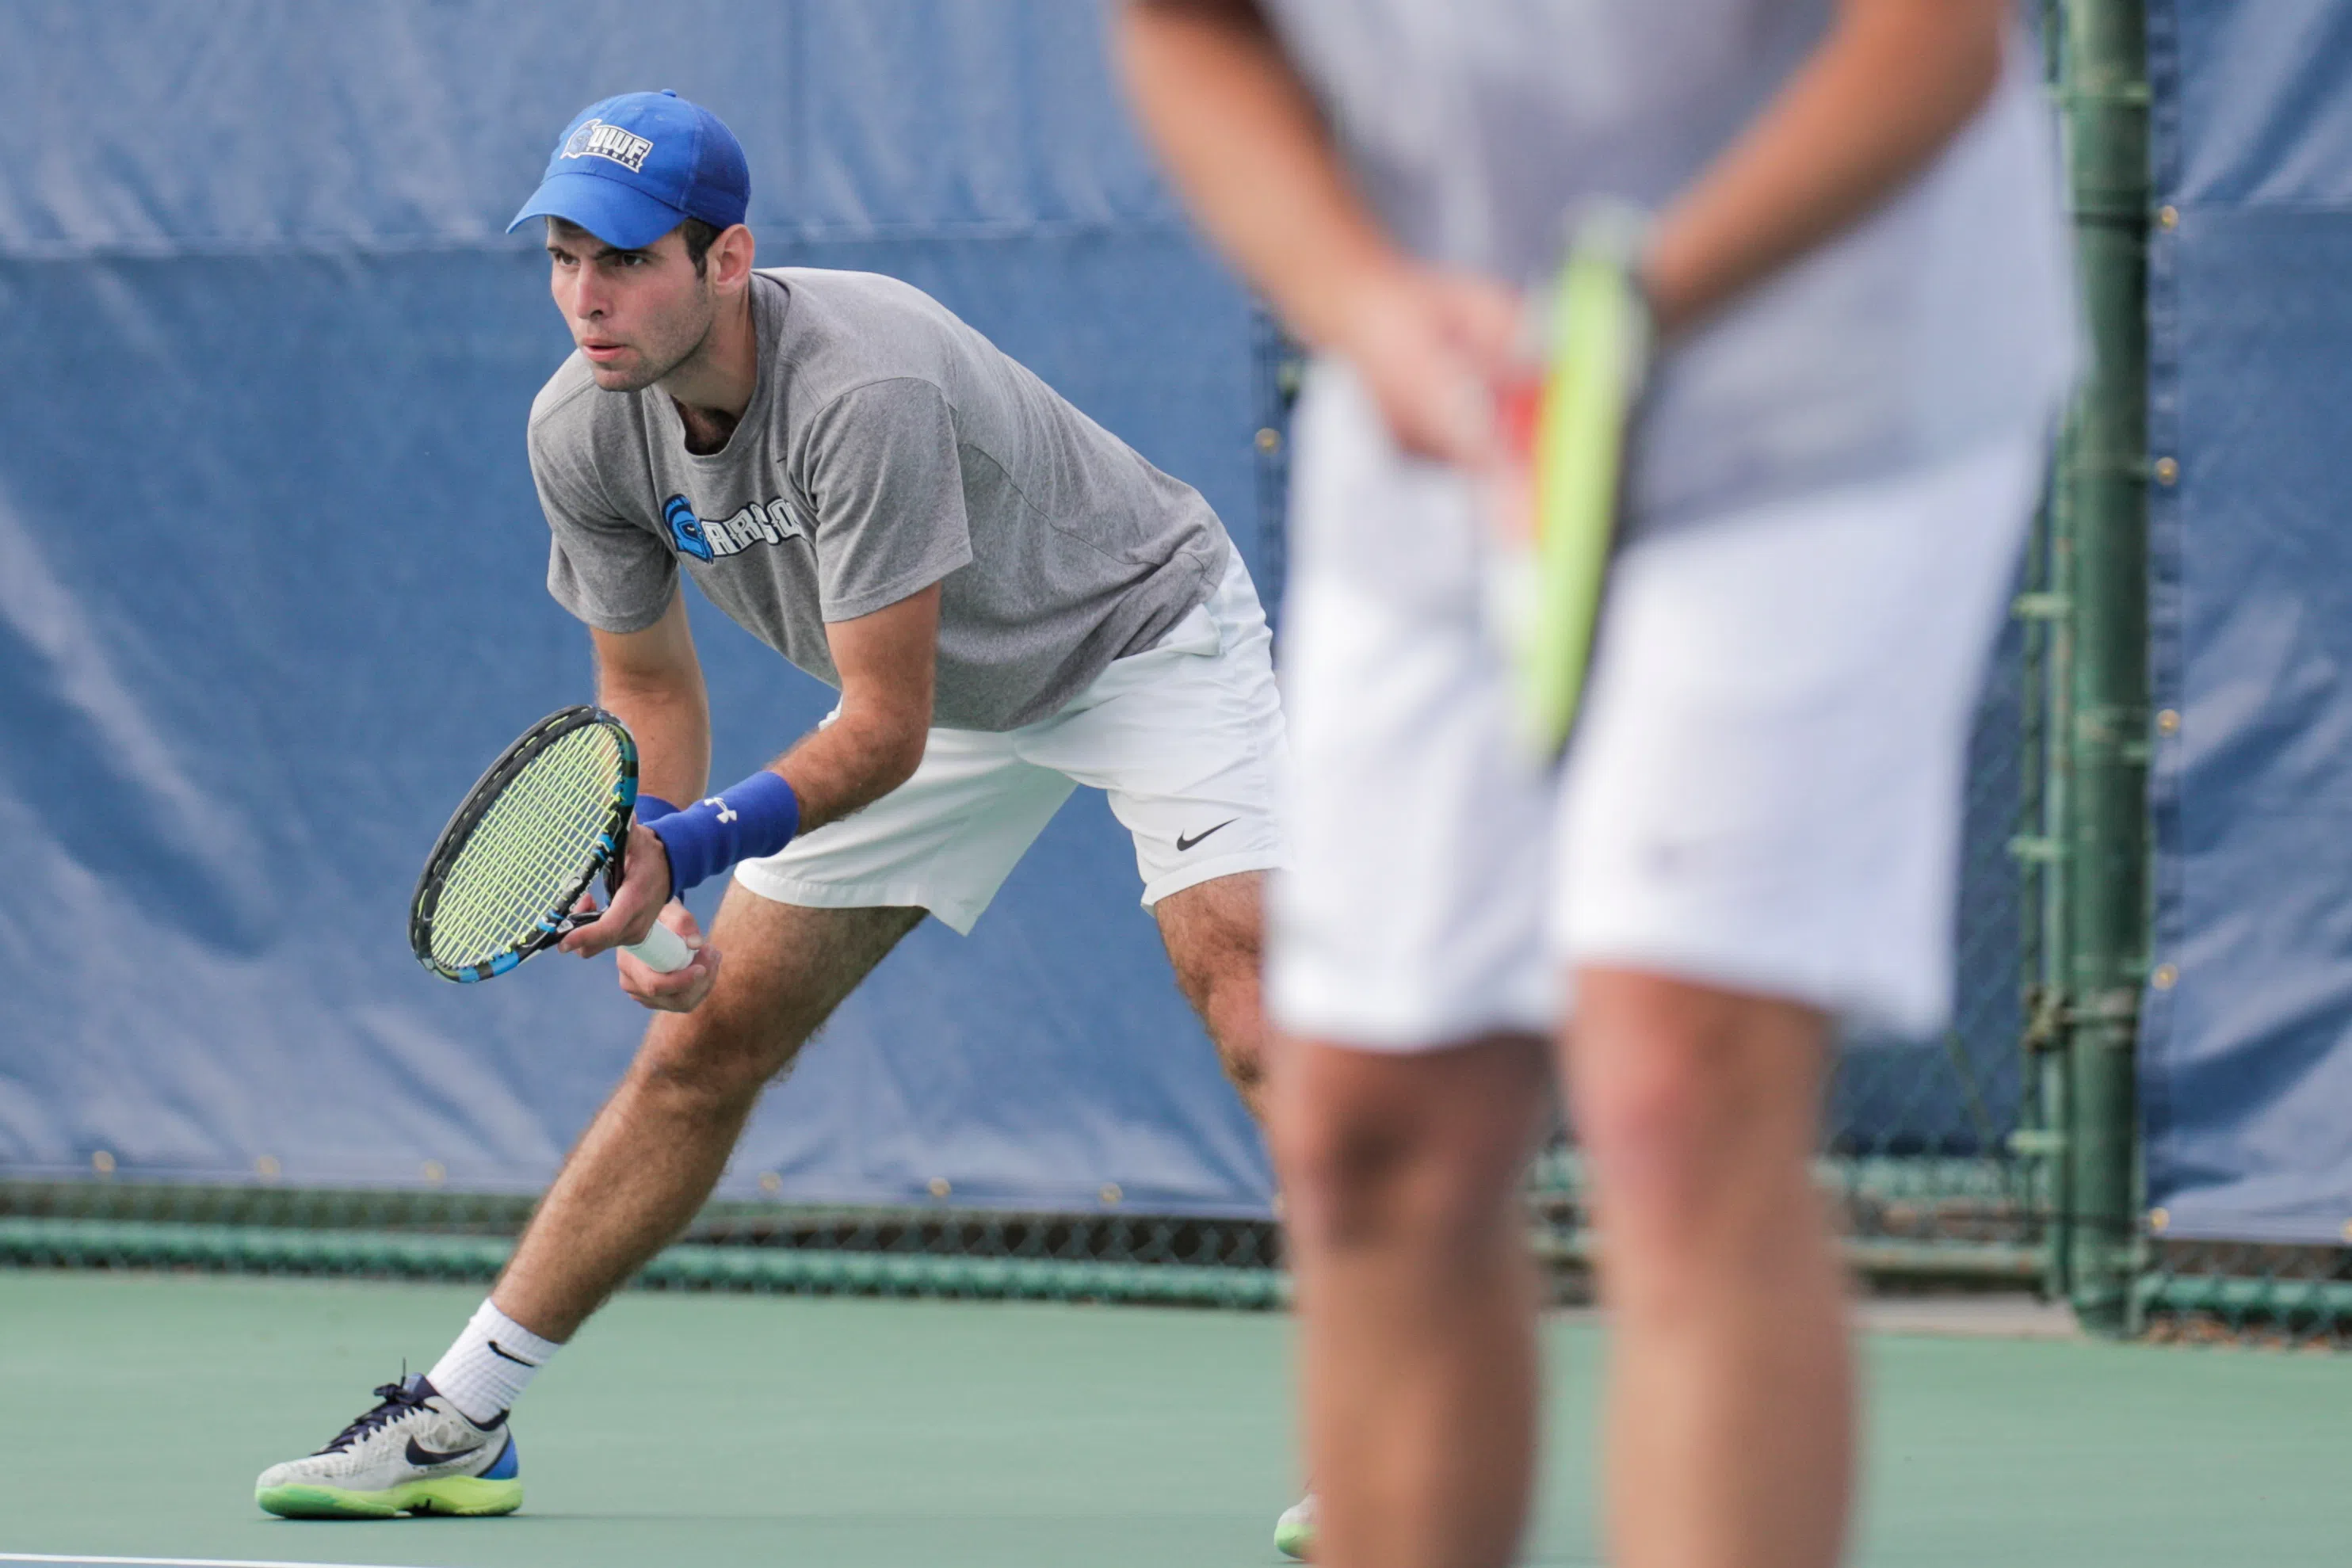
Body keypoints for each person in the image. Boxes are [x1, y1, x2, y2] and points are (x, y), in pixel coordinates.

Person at [1117, 2, 2078, 1564]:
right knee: (1372, 1126)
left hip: (1824, 386)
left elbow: (1931, 34)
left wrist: (1623, 316)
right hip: (1443, 396)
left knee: (1675, 1091)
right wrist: (1363, 304)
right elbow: (1187, 29)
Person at [253, 88, 1289, 1521]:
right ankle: (460, 1418)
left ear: (724, 262)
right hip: (933, 695)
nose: (584, 299)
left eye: (622, 260)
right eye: (562, 257)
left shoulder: (864, 386)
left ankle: (1391, 1429)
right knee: (706, 1047)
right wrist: (648, 860)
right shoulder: (581, 429)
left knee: (1251, 1007)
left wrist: (694, 841)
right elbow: (647, 690)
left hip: (1134, 635)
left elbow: (883, 726)